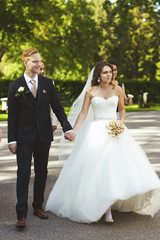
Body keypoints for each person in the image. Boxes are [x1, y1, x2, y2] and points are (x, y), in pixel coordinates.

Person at [45, 61, 160, 224]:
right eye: (105, 72)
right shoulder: (91, 91)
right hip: (97, 131)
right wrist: (74, 130)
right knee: (100, 168)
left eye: (110, 72)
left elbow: (121, 109)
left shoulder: (118, 89)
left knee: (117, 167)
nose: (109, 75)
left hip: (116, 131)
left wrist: (121, 123)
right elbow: (84, 113)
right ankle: (106, 210)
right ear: (98, 75)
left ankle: (113, 200)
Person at [8, 48, 76, 229]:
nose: (39, 64)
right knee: (23, 173)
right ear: (26, 63)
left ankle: (38, 206)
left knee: (42, 172)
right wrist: (11, 140)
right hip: (23, 137)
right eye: (35, 61)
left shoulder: (47, 83)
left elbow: (58, 107)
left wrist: (66, 127)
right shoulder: (15, 86)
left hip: (43, 136)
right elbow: (12, 116)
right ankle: (21, 215)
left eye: (40, 61)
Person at [38, 62, 58, 132]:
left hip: (45, 122)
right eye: (40, 69)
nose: (42, 71)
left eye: (44, 69)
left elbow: (53, 104)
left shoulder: (49, 83)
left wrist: (54, 122)